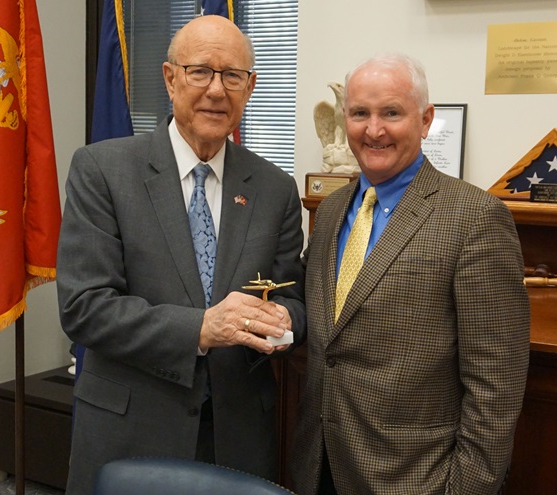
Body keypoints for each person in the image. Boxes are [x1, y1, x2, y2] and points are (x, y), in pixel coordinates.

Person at [56, 15, 306, 495]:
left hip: (236, 435)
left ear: (249, 87)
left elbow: (293, 298)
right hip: (130, 430)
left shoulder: (275, 189)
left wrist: (279, 321)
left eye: (232, 76)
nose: (217, 90)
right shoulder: (102, 171)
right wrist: (202, 329)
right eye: (200, 72)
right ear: (170, 78)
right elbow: (84, 307)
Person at [291, 53, 530, 495]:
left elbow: (496, 386)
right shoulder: (329, 213)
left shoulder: (475, 218)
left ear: (425, 120)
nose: (374, 129)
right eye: (360, 113)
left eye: (392, 113)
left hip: (415, 479)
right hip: (317, 465)